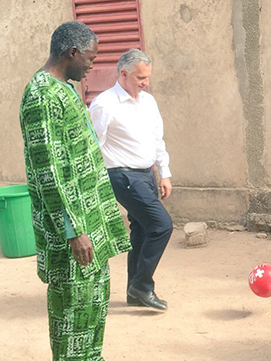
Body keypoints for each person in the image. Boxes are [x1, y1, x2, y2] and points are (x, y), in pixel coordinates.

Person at [19, 21, 131, 360]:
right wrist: (74, 231)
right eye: (91, 59)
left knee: (93, 312)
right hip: (72, 235)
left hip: (89, 224)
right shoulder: (41, 96)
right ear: (72, 53)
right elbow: (49, 171)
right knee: (73, 320)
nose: (92, 66)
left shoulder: (64, 88)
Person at [89, 49, 173, 311]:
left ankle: (133, 292)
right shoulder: (104, 104)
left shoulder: (148, 101)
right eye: (140, 78)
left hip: (146, 174)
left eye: (147, 77)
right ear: (123, 74)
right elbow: (93, 146)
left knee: (142, 230)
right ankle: (143, 285)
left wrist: (164, 172)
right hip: (122, 176)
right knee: (162, 226)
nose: (145, 83)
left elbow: (156, 139)